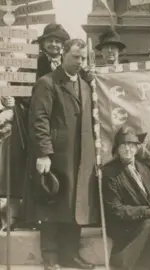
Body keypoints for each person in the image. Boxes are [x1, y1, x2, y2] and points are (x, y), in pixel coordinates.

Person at [25, 39, 97, 270]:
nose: (80, 62)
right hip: (56, 156)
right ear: (64, 55)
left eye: (83, 58)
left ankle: (70, 253)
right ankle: (51, 257)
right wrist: (44, 153)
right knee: (53, 204)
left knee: (75, 205)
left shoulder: (85, 86)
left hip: (80, 156)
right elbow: (39, 120)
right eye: (75, 57)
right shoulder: (48, 83)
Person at [102, 127, 150, 270]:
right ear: (117, 148)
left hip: (144, 218)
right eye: (124, 145)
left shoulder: (143, 168)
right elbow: (116, 210)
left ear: (137, 148)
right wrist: (146, 212)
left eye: (132, 145)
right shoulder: (109, 172)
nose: (128, 149)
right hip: (124, 223)